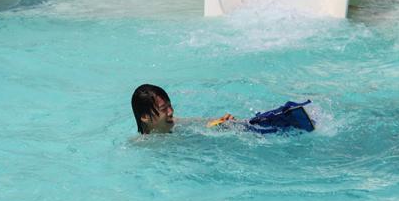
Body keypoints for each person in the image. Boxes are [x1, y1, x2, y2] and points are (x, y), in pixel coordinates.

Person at [131, 84, 314, 135]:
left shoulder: (177, 123)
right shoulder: (143, 148)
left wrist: (221, 121)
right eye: (164, 109)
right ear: (145, 117)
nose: (171, 111)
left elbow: (205, 123)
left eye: (170, 105)